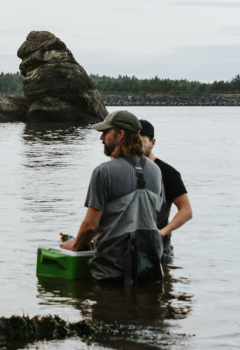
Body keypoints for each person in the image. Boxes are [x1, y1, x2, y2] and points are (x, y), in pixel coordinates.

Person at [61, 110, 164, 285]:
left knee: (106, 308)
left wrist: (76, 245)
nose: (101, 137)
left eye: (105, 132)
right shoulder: (156, 170)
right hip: (149, 271)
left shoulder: (104, 172)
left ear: (120, 134)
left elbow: (90, 227)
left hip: (111, 272)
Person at [140, 119, 193, 264]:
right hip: (131, 244)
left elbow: (186, 211)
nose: (137, 146)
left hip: (160, 246)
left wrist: (163, 232)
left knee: (163, 284)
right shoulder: (126, 170)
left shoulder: (168, 172)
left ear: (152, 142)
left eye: (142, 141)